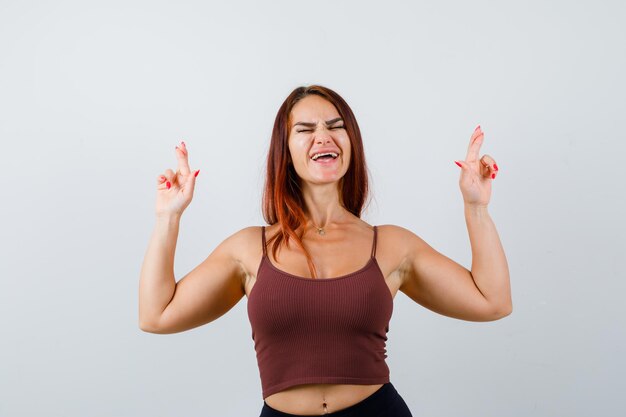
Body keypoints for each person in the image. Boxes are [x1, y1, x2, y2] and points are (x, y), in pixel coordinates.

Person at [138, 85, 512, 416]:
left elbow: (492, 301)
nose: (323, 137)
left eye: (335, 126)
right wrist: (168, 218)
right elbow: (156, 316)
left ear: (351, 142)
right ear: (284, 150)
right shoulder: (248, 249)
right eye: (305, 129)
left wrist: (476, 207)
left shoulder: (393, 245)